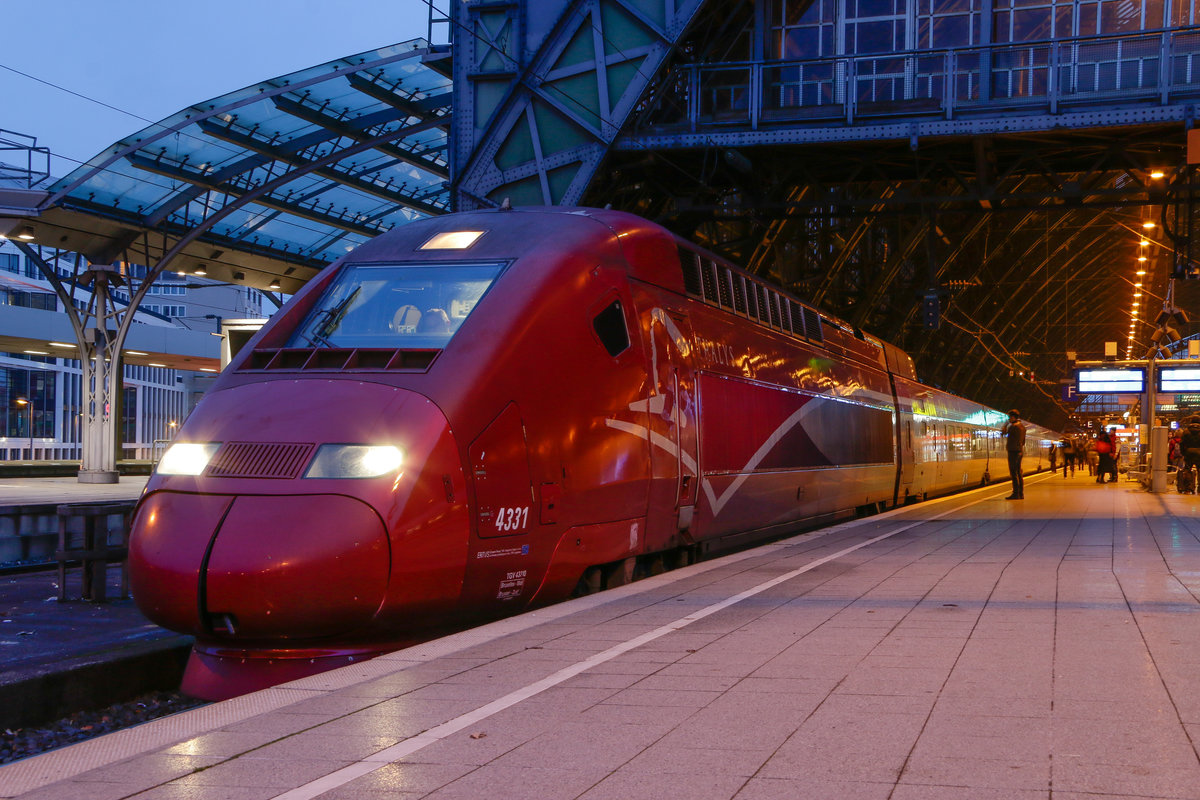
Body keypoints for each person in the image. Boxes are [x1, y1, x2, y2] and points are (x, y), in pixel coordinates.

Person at [1001, 409, 1026, 499]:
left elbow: (1003, 433)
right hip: (1019, 451)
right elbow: (1023, 441)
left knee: (1014, 473)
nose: (1009, 419)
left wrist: (1005, 425)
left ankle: (1015, 493)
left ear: (1013, 417)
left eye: (1009, 417)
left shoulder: (1013, 427)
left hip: (1013, 452)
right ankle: (1020, 493)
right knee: (1018, 472)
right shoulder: (1022, 427)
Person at [1179, 417, 1200, 493]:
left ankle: (1188, 487)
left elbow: (1182, 443)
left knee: (1187, 470)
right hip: (1199, 453)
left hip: (1188, 453)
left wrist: (1183, 453)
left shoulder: (1186, 432)